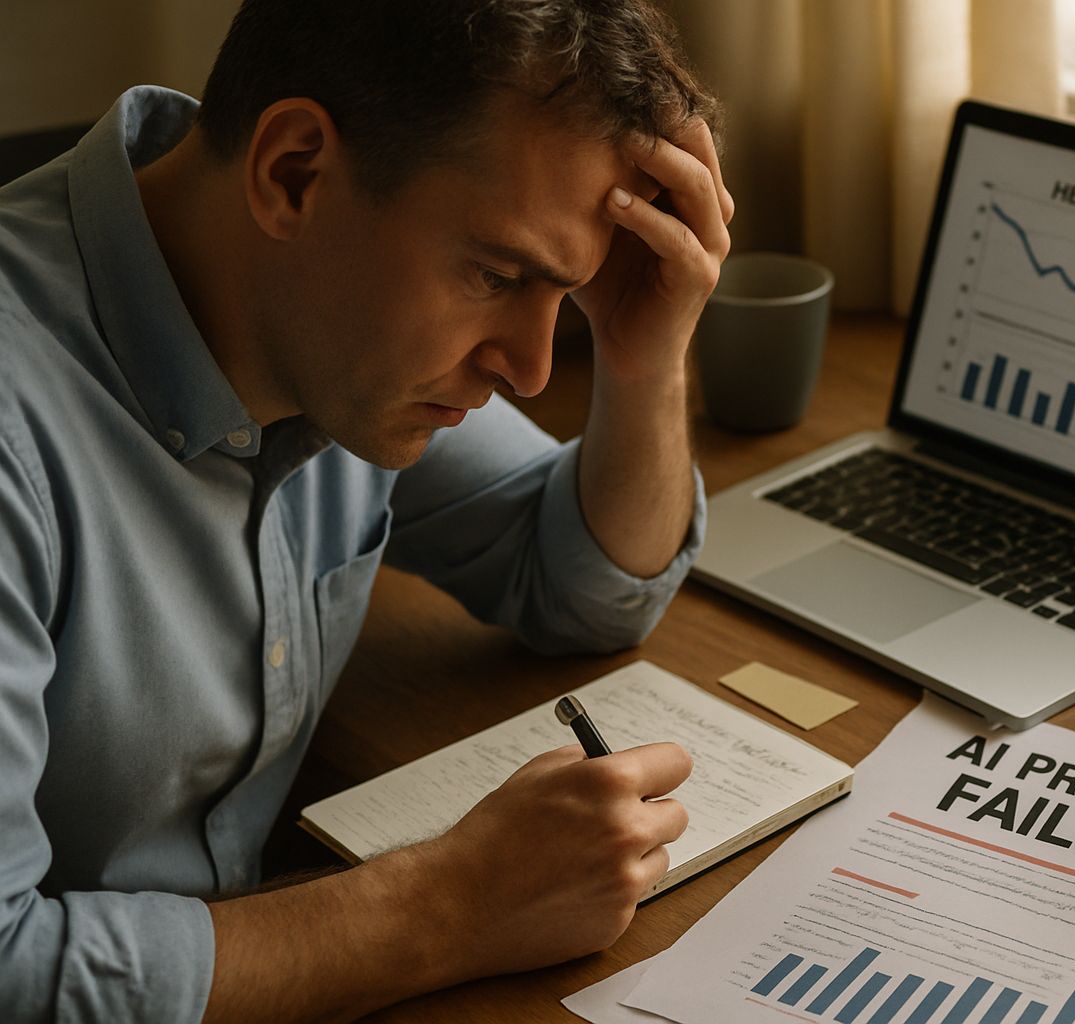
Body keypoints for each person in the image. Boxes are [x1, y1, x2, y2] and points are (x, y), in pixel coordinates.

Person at [0, 1, 733, 1019]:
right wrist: (452, 905)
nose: (528, 369)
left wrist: (644, 363)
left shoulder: (319, 330)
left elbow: (581, 583)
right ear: (293, 171)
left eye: (561, 291)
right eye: (496, 274)